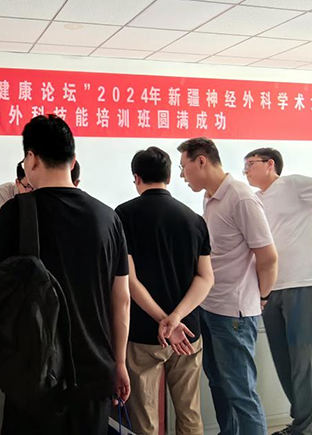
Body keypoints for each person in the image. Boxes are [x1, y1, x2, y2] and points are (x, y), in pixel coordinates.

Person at [0, 115, 131, 435]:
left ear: (31, 159)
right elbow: (121, 299)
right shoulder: (108, 218)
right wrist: (119, 363)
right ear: (72, 161)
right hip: (94, 375)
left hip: (34, 375)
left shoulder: (15, 213)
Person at [242, 147, 312, 435]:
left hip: (304, 285)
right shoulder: (254, 200)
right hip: (270, 290)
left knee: (303, 363)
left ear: (270, 164)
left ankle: (304, 429)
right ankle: (303, 425)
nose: (246, 170)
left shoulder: (294, 184)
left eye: (250, 164)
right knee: (283, 362)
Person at [177, 137, 278, 435]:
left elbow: (268, 257)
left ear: (201, 161)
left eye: (184, 167)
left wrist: (262, 296)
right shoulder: (210, 197)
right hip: (210, 307)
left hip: (234, 313)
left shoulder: (241, 197)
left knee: (241, 392)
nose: (182, 175)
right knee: (219, 385)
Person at [115, 146, 214, 435]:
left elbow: (130, 280)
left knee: (144, 419)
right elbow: (206, 278)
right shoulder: (194, 219)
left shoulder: (124, 215)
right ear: (169, 178)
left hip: (144, 333)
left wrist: (164, 320)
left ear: (136, 178)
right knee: (189, 413)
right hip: (187, 333)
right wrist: (176, 319)